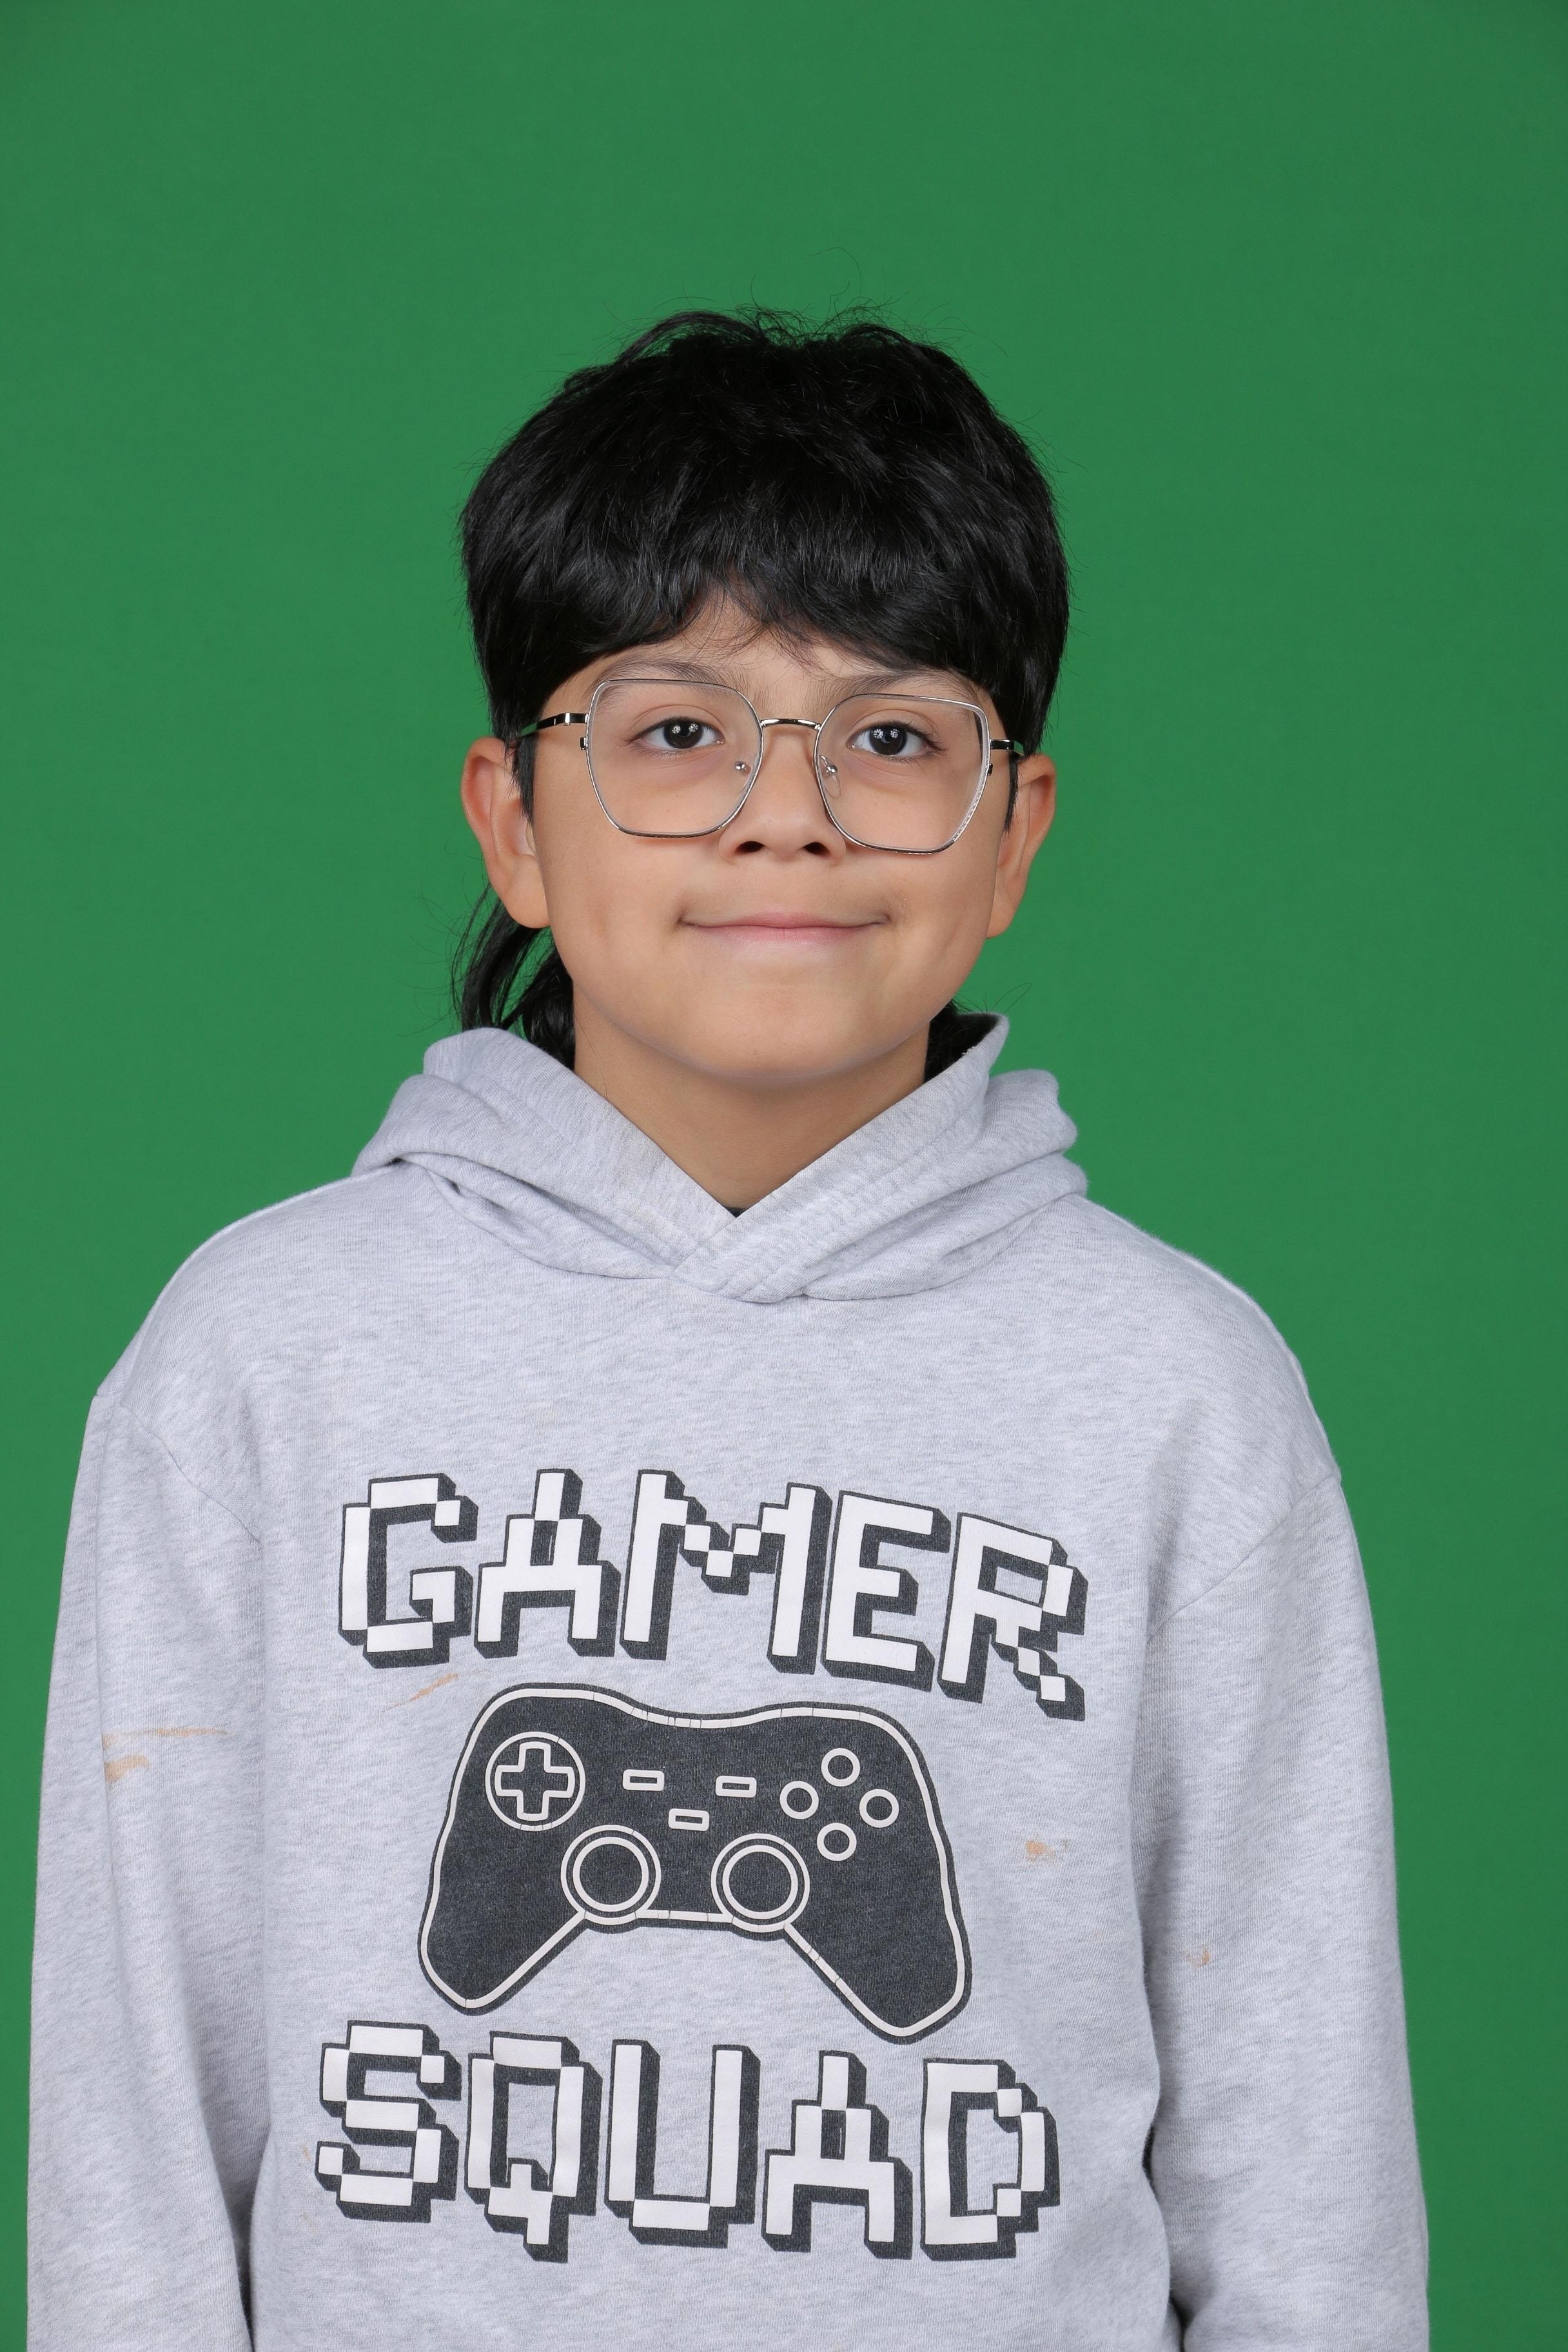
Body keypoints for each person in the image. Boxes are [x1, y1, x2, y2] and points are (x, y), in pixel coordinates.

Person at [28, 310, 1427, 2349]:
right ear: (515, 822)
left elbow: (1303, 2166)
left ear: (1015, 832)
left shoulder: (1177, 1391)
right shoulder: (268, 1353)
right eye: (675, 732)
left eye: (893, 738)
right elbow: (135, 2132)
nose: (789, 816)